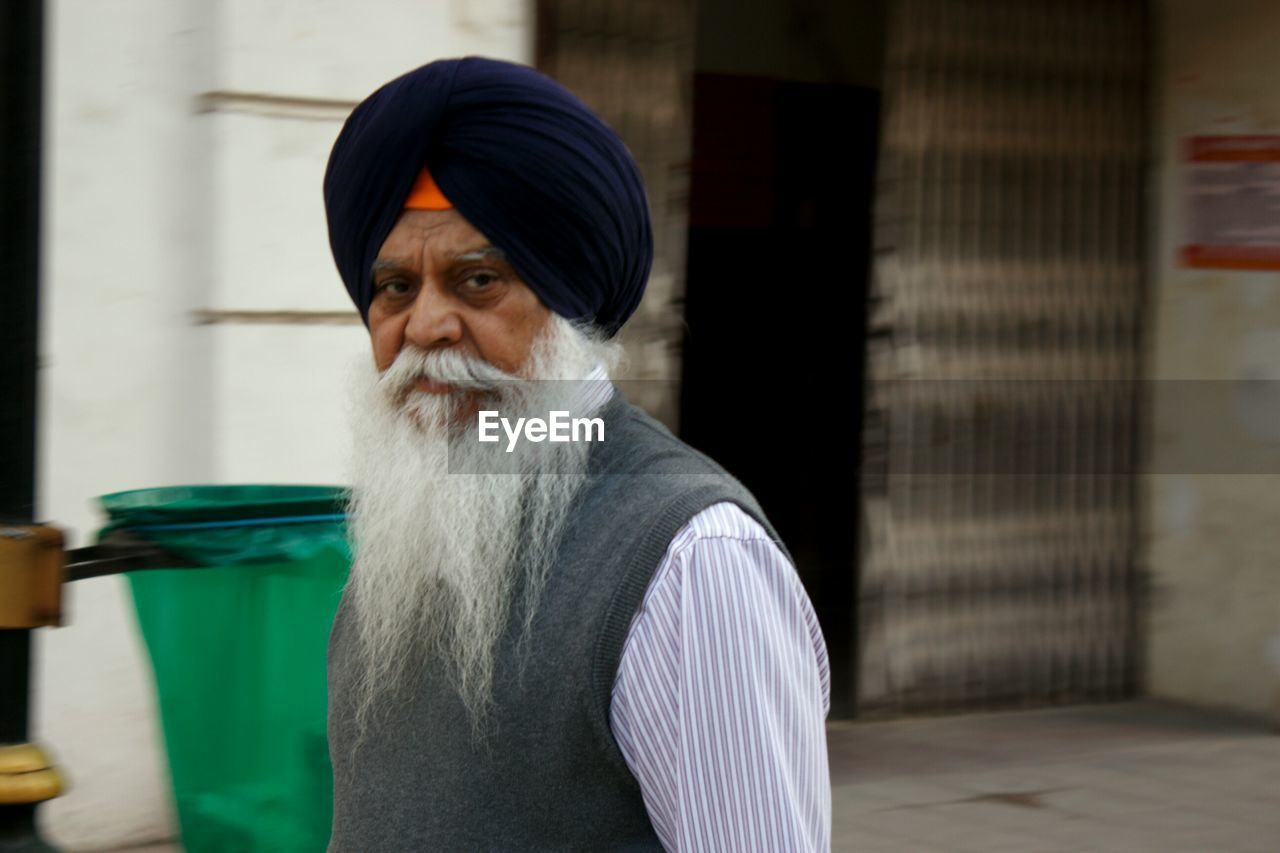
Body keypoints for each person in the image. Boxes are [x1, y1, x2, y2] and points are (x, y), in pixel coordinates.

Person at [322, 56, 831, 851]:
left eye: (478, 279)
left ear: (567, 306)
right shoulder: (408, 531)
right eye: (394, 288)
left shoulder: (694, 559)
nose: (425, 327)